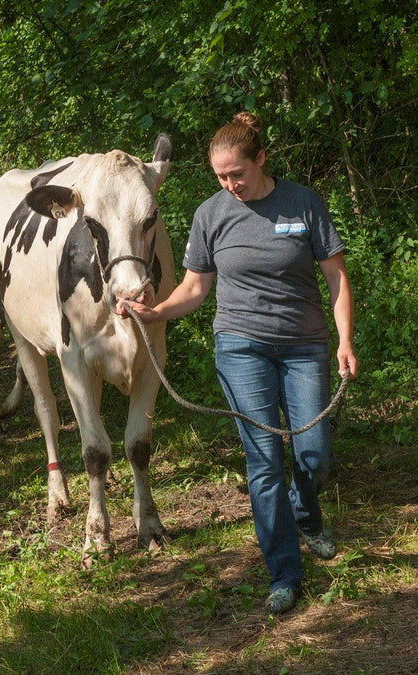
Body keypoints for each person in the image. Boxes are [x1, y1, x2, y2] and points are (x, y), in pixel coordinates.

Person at [119, 112, 357, 614]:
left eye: (238, 175)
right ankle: (284, 574)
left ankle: (306, 514)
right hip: (240, 345)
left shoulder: (303, 203)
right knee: (265, 461)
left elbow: (336, 277)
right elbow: (195, 287)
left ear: (261, 159)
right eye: (221, 177)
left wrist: (344, 341)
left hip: (305, 345)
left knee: (314, 456)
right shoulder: (211, 214)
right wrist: (157, 310)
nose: (231, 185)